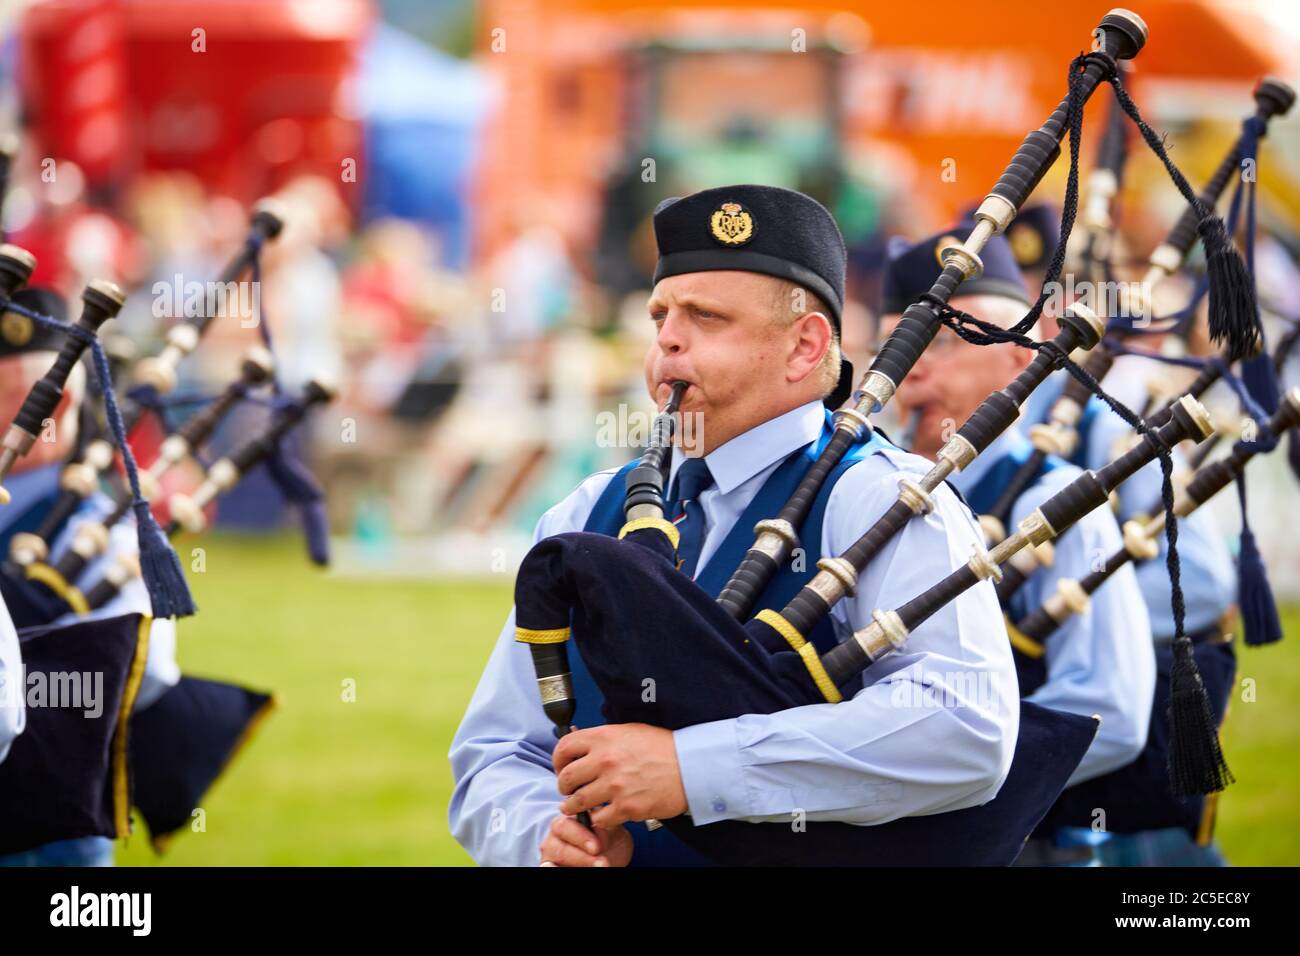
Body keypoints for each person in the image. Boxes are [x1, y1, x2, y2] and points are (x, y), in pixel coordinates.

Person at [450, 184, 1020, 867]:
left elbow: (965, 724)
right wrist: (540, 836)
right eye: (660, 314)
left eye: (707, 317)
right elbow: (498, 749)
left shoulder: (878, 499)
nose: (667, 339)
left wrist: (690, 771)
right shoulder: (584, 513)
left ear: (805, 347)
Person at [879, 227, 1155, 864]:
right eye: (893, 345)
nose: (910, 365)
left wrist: (915, 768)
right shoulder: (870, 496)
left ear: (1019, 361)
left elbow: (1108, 713)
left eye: (945, 341)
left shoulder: (1053, 503)